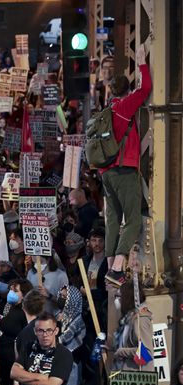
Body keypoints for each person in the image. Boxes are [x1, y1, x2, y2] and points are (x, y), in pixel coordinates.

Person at [101, 44, 152, 287]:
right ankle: (119, 268)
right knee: (132, 220)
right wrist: (142, 62)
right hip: (124, 171)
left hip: (106, 173)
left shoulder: (107, 111)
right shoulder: (124, 107)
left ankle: (110, 267)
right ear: (127, 91)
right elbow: (148, 89)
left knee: (113, 220)